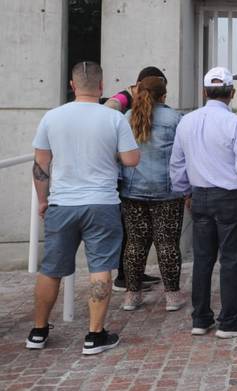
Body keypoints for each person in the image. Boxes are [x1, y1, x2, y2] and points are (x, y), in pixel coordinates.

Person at [26, 61, 140, 355]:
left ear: (72, 85)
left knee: (51, 269)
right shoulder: (114, 119)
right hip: (102, 203)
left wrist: (43, 200)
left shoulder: (52, 118)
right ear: (101, 87)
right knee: (101, 268)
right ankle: (94, 335)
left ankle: (38, 331)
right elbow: (131, 160)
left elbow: (41, 165)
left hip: (62, 203)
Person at [170, 67, 237, 339]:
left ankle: (200, 318)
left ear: (204, 91)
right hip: (230, 199)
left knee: (203, 259)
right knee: (232, 260)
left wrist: (184, 192)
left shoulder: (186, 121)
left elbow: (177, 163)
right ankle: (229, 320)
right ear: (232, 93)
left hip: (199, 195)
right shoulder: (235, 123)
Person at [119, 75, 187, 313]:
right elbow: (182, 155)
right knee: (167, 243)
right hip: (166, 192)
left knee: (135, 244)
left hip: (132, 191)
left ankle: (132, 295)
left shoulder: (127, 117)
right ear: (163, 95)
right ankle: (172, 296)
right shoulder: (174, 118)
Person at [105, 65, 166, 292]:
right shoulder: (124, 98)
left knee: (136, 232)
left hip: (131, 177)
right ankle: (123, 276)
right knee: (129, 232)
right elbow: (106, 112)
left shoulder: (141, 102)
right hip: (124, 176)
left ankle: (132, 273)